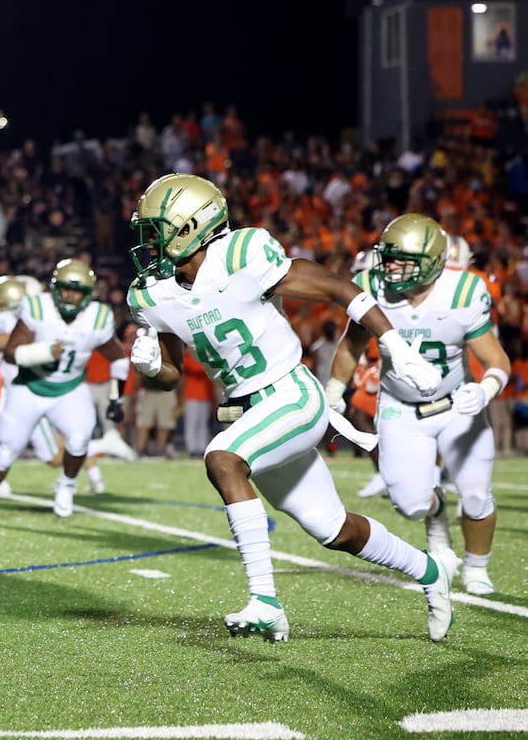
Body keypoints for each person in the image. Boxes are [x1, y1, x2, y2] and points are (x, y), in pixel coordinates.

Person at [125, 173, 457, 642]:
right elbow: (171, 377)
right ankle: (430, 572)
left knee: (222, 459)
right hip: (247, 413)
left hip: (291, 395)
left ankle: (265, 600)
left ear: (190, 226)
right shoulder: (151, 294)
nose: (148, 244)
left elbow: (339, 289)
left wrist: (394, 344)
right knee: (334, 530)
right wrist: (152, 369)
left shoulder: (242, 255)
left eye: (156, 231)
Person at [328, 214, 510, 596]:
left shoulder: (463, 293)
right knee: (411, 505)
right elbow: (351, 345)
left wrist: (486, 389)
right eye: (387, 255)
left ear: (431, 263)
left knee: (476, 494)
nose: (388, 266)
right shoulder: (370, 285)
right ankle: (437, 513)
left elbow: (497, 360)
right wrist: (334, 393)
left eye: (400, 258)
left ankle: (476, 567)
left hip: (457, 404)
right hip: (400, 406)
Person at [0, 258, 128, 520]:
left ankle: (67, 485)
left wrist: (116, 399)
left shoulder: (97, 318)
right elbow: (12, 354)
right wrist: (45, 351)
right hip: (29, 388)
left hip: (69, 389)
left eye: (77, 291)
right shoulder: (37, 308)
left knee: (79, 439)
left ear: (88, 294)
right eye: (66, 289)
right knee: (5, 451)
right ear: (55, 289)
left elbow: (118, 358)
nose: (70, 296)